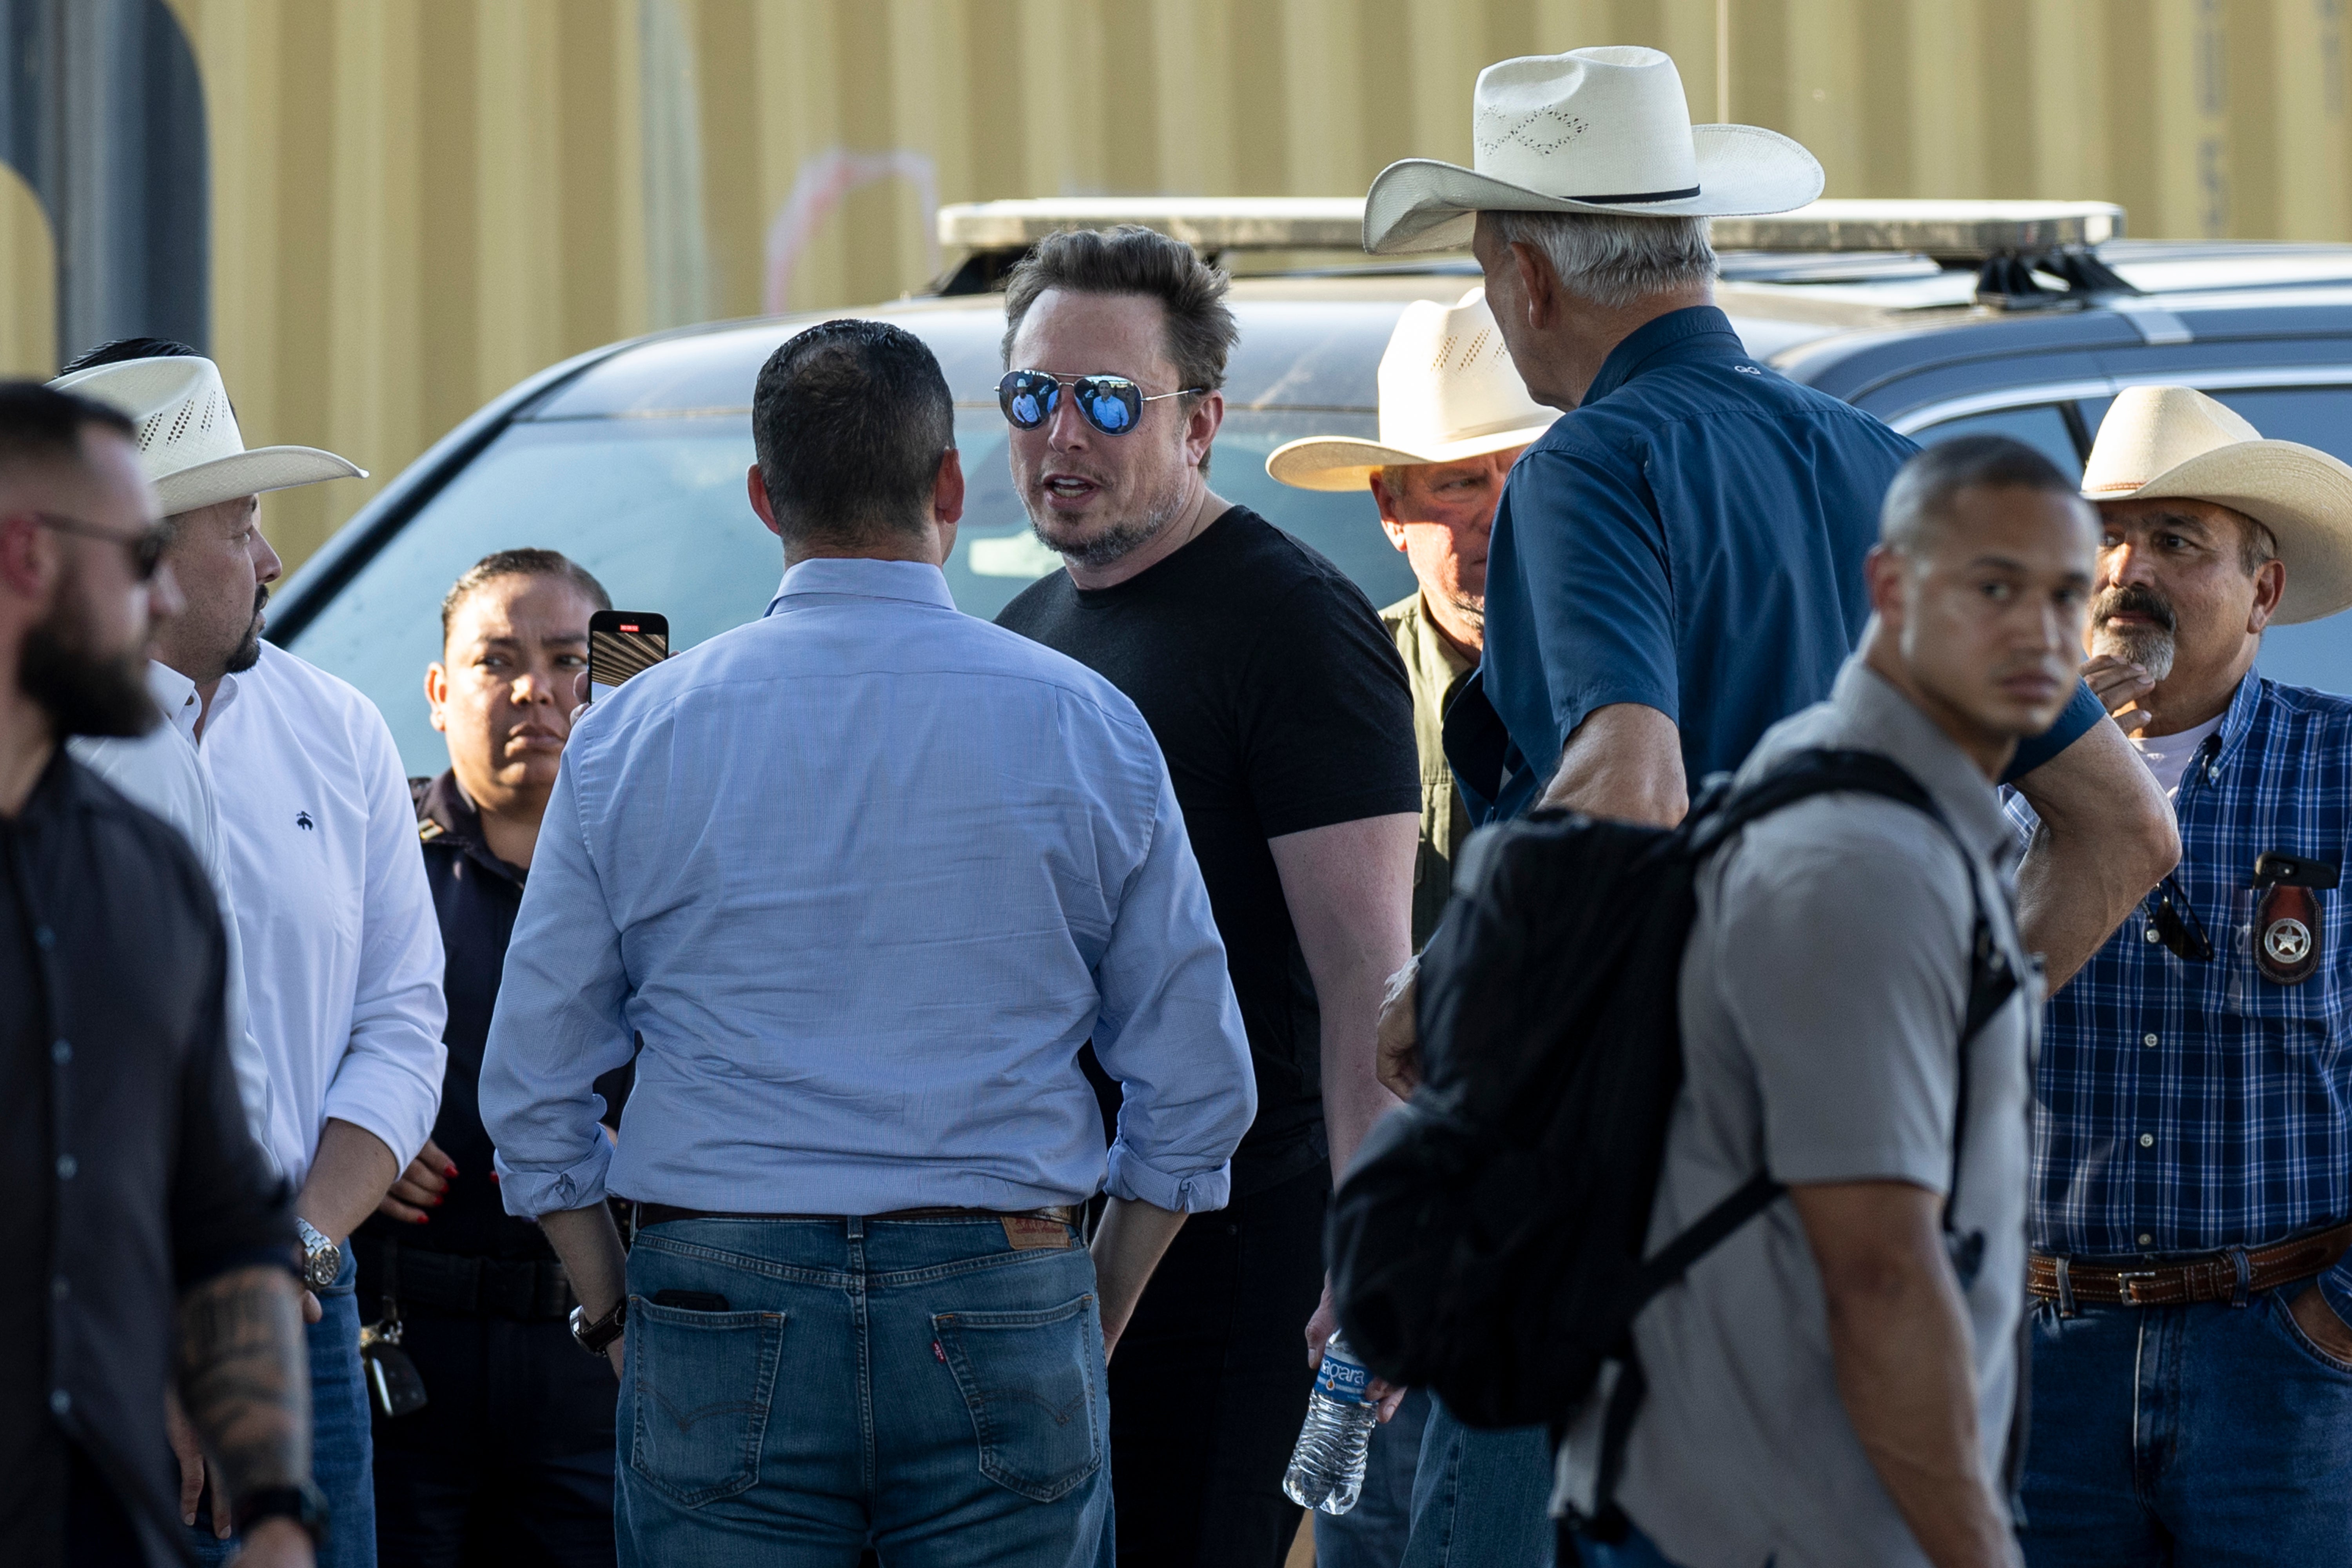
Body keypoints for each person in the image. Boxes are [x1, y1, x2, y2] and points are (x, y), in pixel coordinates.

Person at [1360, 51, 2178, 1544]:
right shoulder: (1892, 468)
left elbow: (1628, 783)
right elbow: (2128, 829)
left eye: (1487, 275)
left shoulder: (1591, 465)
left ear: (1532, 277)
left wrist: (1448, 977)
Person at [480, 318, 1255, 1566]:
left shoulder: (634, 736)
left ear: (760, 498)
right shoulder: (1087, 725)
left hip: (713, 1286)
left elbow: (530, 1089)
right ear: (949, 483)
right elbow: (1202, 1089)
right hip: (1006, 1282)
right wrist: (1084, 1310)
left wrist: (617, 1311)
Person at [1556, 434, 2096, 1568]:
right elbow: (1879, 1271)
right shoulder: (1866, 861)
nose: (2043, 634)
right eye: (1995, 588)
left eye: (2067, 595)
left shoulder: (1854, 781)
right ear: (1893, 590)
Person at [993, 226, 1422, 1568]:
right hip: (1051, 1238)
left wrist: (1370, 1252)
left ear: (1202, 426)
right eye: (1033, 396)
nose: (1065, 433)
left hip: (1244, 1250)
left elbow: (1372, 976)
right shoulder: (1022, 634)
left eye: (1110, 401)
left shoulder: (1293, 625)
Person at [53, 348, 448, 1568]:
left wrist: (295, 1257)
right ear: (150, 555)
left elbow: (402, 1022)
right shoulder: (36, 755)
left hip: (300, 1314)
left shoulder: (337, 730)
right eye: (245, 524)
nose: (273, 560)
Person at [2005, 386, 2352, 1566]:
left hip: (2284, 1360)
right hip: (2044, 1360)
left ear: (2264, 593)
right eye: (2104, 535)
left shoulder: (2339, 769)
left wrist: (2338, 1321)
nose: (2125, 570)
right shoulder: (1988, 772)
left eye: (2175, 542)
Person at [0, 379, 319, 1567]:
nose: (166, 594)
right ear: (26, 553)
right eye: (139, 554)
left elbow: (225, 1217)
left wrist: (282, 1507)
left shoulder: (147, 867)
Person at [1266, 284, 1554, 1568]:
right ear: (1387, 509)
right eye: (1448, 486)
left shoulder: (1631, 693)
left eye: (1508, 474)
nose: (1484, 515)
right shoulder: (1335, 693)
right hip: (1387, 1250)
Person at [352, 550, 627, 1568]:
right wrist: (353, 1130)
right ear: (437, 692)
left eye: (569, 661)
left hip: (597, 1346)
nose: (536, 691)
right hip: (405, 1340)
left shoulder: (664, 869)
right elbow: (269, 1040)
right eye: (496, 660)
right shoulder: (375, 858)